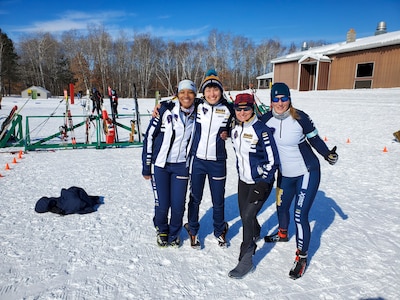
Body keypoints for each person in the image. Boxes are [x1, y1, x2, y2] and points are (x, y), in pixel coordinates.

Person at [260, 82, 338, 279]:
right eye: (276, 99)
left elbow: (315, 139)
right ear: (271, 101)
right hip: (285, 174)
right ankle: (283, 233)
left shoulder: (300, 117)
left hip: (307, 171)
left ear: (289, 99)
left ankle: (301, 257)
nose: (280, 103)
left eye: (284, 98)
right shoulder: (265, 119)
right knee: (280, 206)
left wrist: (327, 154)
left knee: (299, 215)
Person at [228, 93, 279, 279]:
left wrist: (264, 182)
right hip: (244, 180)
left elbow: (273, 161)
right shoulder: (235, 129)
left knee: (248, 216)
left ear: (253, 109)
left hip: (261, 181)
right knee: (245, 215)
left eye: (246, 108)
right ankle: (255, 232)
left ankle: (246, 258)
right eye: (238, 109)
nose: (242, 112)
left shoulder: (262, 130)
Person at [142, 79, 197, 248]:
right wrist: (146, 164)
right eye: (182, 92)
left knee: (178, 204)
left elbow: (217, 103)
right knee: (162, 204)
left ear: (195, 95)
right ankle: (162, 230)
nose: (186, 96)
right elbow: (149, 136)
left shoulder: (199, 112)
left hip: (181, 165)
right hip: (161, 166)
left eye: (190, 93)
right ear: (177, 94)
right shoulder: (165, 110)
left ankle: (174, 232)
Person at [184, 69, 234, 249]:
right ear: (203, 92)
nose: (212, 94)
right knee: (195, 197)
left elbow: (247, 117)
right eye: (208, 90)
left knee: (218, 199)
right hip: (198, 161)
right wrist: (161, 106)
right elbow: (179, 100)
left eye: (215, 90)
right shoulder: (197, 105)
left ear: (220, 91)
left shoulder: (229, 109)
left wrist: (229, 132)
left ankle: (220, 230)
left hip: (217, 161)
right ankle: (193, 229)